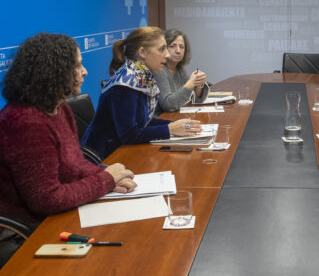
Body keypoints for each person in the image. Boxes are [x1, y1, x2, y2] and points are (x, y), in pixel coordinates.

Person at [0, 33, 137, 232]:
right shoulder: (25, 122)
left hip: (58, 215)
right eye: (78, 66)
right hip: (28, 230)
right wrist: (105, 180)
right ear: (54, 72)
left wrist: (108, 178)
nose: (85, 72)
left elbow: (76, 164)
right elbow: (47, 199)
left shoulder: (60, 107)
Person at [82, 27, 202, 160]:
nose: (167, 55)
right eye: (162, 49)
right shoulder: (125, 85)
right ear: (143, 52)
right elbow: (130, 135)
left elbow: (142, 123)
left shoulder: (140, 76)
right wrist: (170, 129)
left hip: (121, 151)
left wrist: (176, 125)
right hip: (103, 158)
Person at [154, 29, 209, 114]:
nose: (178, 51)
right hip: (161, 120)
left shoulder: (180, 69)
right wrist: (191, 83)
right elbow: (169, 105)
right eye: (172, 46)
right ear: (163, 49)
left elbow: (193, 99)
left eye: (181, 47)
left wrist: (198, 85)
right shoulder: (159, 70)